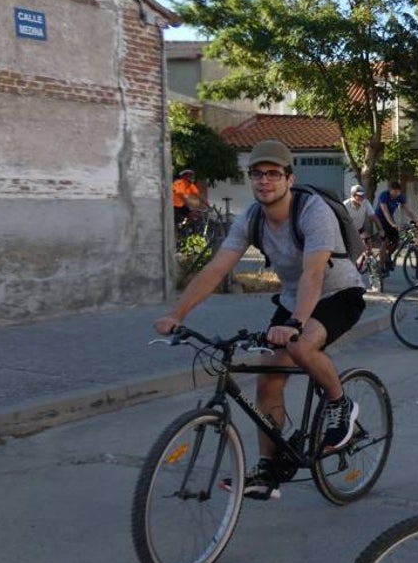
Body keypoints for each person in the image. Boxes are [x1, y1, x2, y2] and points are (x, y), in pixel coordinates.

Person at [154, 140, 366, 499]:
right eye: (257, 174)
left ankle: (338, 402)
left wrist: (296, 324)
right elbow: (218, 267)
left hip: (338, 294)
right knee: (267, 382)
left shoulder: (312, 211)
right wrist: (177, 314)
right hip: (292, 300)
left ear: (289, 178)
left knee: (298, 345)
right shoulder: (252, 218)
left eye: (272, 174)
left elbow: (314, 273)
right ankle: (267, 470)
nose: (264, 181)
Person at [374, 181, 415, 269]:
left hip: (390, 219)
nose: (396, 194)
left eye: (398, 192)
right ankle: (380, 266)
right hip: (380, 219)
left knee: (396, 241)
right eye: (394, 192)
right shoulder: (384, 195)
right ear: (390, 190)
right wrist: (392, 224)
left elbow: (408, 210)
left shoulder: (400, 197)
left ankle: (387, 256)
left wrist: (417, 220)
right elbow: (385, 212)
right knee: (385, 241)